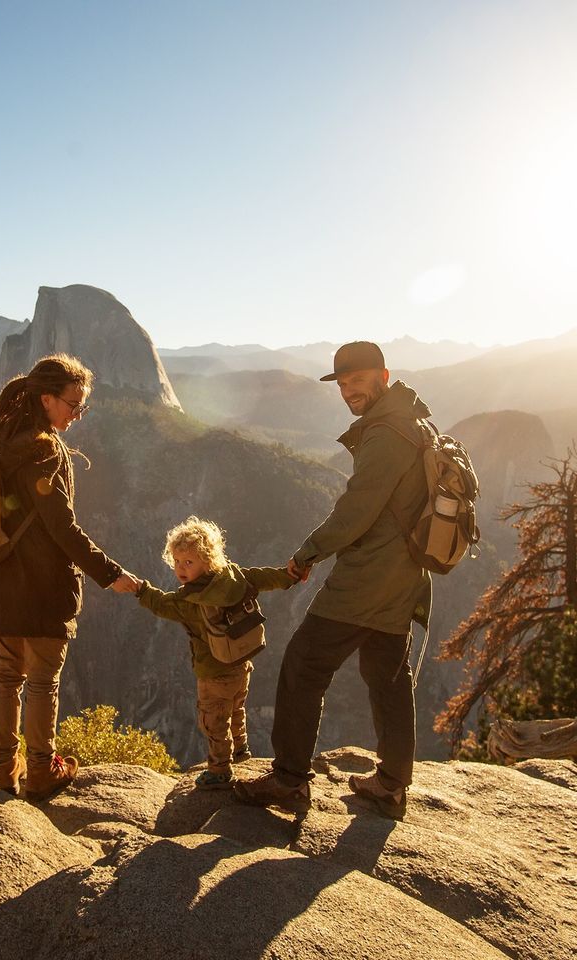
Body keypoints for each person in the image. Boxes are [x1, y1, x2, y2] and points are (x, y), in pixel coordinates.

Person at [234, 341, 432, 819]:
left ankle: (289, 780)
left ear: (383, 375)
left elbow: (357, 508)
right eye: (342, 384)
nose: (348, 391)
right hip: (404, 574)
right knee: (387, 675)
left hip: (369, 576)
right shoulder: (414, 419)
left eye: (357, 381)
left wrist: (308, 553)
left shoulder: (388, 433)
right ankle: (390, 785)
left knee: (305, 665)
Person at [0, 354, 141, 802]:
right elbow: (62, 528)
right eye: (73, 404)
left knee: (6, 676)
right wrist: (109, 574)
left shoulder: (1, 443)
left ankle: (5, 769)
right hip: (41, 585)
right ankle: (41, 770)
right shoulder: (43, 450)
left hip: (1, 582)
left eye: (83, 406)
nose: (77, 414)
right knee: (42, 679)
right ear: (46, 399)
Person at [130, 517, 295, 789]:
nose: (181, 568)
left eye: (188, 562)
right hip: (242, 664)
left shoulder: (190, 601)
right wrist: (289, 577)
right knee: (236, 708)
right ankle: (240, 750)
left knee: (214, 720)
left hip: (212, 672)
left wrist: (141, 590)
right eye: (177, 562)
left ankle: (219, 769)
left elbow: (161, 605)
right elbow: (264, 577)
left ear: (206, 560)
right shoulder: (234, 577)